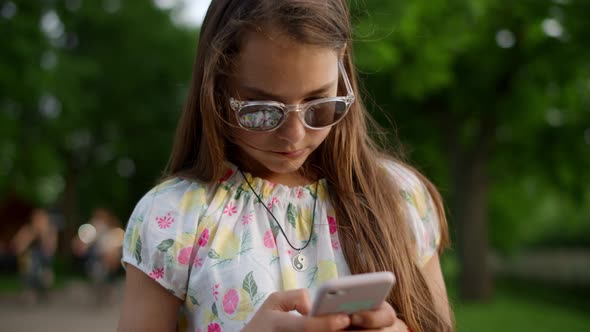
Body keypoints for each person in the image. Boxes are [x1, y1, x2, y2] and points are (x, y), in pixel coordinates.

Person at [118, 1, 453, 331]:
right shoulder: (174, 218)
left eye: (319, 105)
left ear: (342, 75)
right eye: (262, 110)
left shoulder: (400, 197)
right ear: (216, 90)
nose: (293, 136)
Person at [72, 208, 124, 305]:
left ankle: (105, 286)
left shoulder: (113, 230)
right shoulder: (91, 229)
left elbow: (118, 245)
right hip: (96, 257)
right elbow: (80, 245)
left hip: (108, 258)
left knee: (110, 259)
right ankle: (103, 285)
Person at [11, 208, 58, 305]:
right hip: (28, 260)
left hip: (43, 260)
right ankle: (29, 291)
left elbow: (50, 251)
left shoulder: (50, 230)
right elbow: (18, 247)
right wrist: (32, 234)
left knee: (44, 274)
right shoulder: (27, 229)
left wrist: (43, 234)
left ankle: (42, 290)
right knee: (27, 261)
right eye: (37, 218)